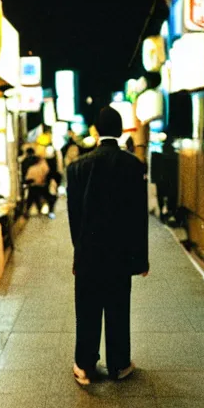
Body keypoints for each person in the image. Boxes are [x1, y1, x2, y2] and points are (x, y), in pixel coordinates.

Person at [66, 106, 149, 385]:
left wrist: (78, 252)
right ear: (120, 129)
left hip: (89, 253)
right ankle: (119, 364)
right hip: (120, 254)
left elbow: (74, 217)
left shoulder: (78, 168)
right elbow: (139, 217)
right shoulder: (133, 166)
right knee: (118, 308)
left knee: (87, 310)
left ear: (96, 131)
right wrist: (141, 259)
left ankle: (85, 365)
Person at [22, 147, 49, 217]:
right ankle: (40, 210)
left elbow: (25, 173)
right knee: (35, 196)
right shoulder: (39, 161)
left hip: (31, 182)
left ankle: (29, 210)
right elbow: (46, 171)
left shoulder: (26, 161)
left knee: (32, 196)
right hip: (40, 182)